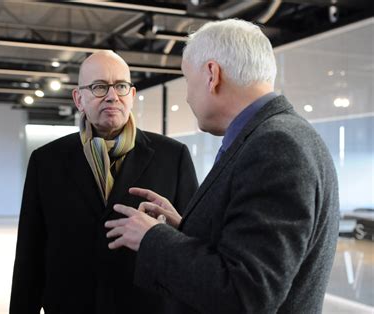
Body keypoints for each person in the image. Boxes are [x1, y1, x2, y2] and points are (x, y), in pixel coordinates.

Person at [105, 19, 339, 313]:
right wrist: (187, 228)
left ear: (212, 74)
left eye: (188, 82)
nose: (188, 96)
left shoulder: (276, 146)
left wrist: (153, 238)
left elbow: (246, 293)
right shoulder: (281, 135)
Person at [9, 50, 198, 314]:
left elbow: (193, 244)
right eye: (99, 87)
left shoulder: (173, 156)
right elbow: (30, 254)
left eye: (121, 86)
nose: (112, 96)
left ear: (131, 95)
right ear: (79, 99)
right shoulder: (46, 161)